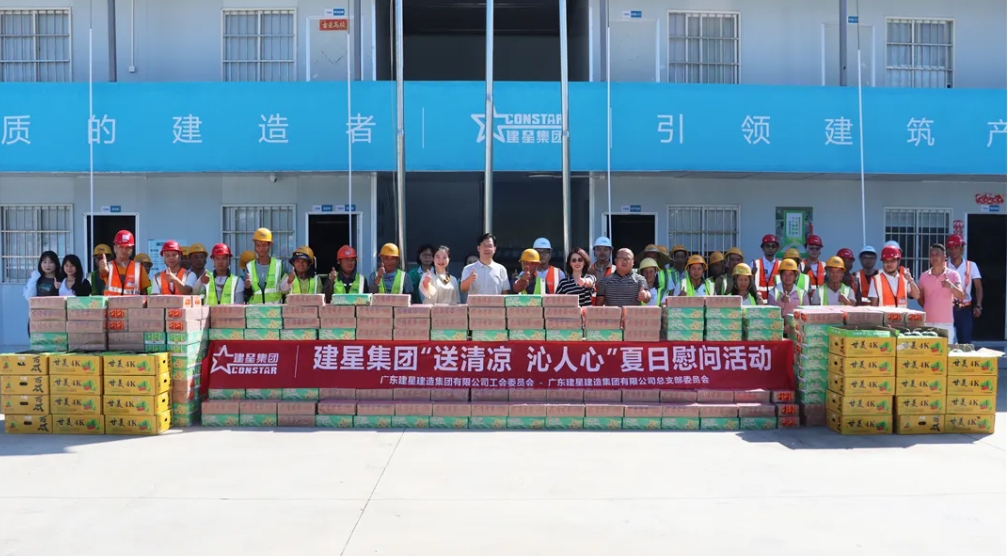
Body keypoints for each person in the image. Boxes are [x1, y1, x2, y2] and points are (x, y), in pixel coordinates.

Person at [917, 243, 964, 343]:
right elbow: (920, 298)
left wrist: (950, 286)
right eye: (932, 255)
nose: (934, 257)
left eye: (937, 254)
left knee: (945, 351)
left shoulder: (953, 275)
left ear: (944, 257)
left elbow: (960, 295)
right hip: (928, 322)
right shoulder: (924, 276)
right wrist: (931, 307)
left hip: (946, 323)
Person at [946, 234, 983, 345]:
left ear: (962, 249)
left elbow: (978, 287)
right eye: (950, 248)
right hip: (946, 309)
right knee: (946, 341)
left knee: (965, 342)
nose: (953, 251)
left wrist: (978, 305)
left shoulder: (971, 266)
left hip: (964, 309)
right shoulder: (943, 266)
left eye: (956, 247)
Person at [99, 230, 150, 296]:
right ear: (115, 247)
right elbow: (103, 274)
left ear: (132, 249)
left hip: (133, 303)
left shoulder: (139, 268)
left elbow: (144, 294)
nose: (124, 250)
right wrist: (103, 270)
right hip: (112, 303)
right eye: (121, 247)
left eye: (128, 247)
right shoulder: (108, 267)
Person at [244, 228, 285, 304]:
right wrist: (247, 288)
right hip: (255, 310)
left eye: (264, 245)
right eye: (258, 245)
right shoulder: (249, 266)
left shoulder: (280, 265)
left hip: (274, 310)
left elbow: (285, 291)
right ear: (254, 246)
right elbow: (247, 295)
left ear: (270, 245)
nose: (261, 248)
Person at [752, 234, 781, 302]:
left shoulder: (781, 265)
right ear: (763, 248)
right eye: (767, 246)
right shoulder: (755, 264)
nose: (770, 248)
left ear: (777, 248)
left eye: (773, 246)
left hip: (775, 302)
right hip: (759, 302)